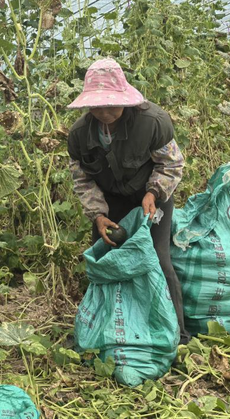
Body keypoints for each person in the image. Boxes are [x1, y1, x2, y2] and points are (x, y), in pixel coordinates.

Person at [66, 58, 190, 344]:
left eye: (112, 105)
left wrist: (153, 193)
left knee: (157, 257)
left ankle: (177, 334)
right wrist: (97, 215)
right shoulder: (79, 135)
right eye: (98, 106)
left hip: (150, 196)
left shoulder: (152, 122)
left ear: (126, 99)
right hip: (110, 202)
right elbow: (83, 180)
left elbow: (171, 165)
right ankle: (104, 329)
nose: (105, 112)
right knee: (104, 256)